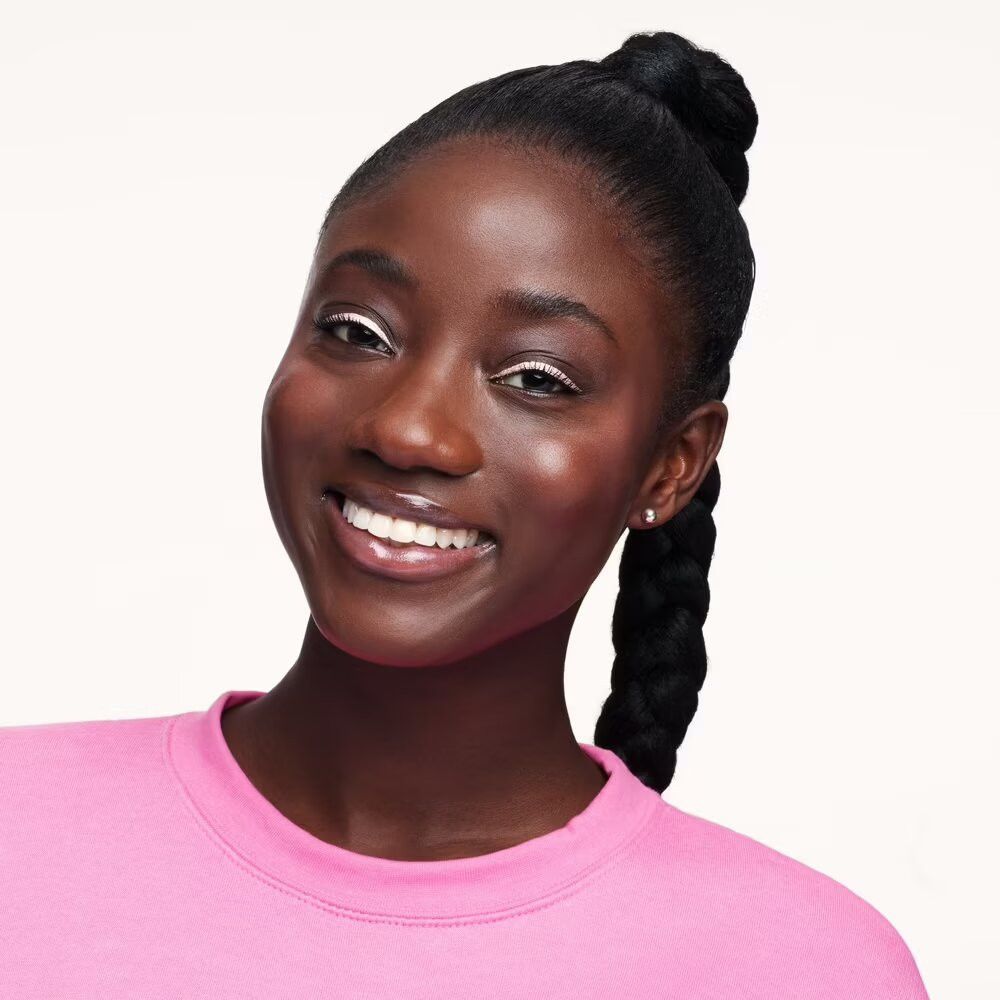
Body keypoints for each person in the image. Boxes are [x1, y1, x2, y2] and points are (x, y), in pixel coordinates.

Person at [0, 30, 931, 998]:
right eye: (358, 331)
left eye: (536, 378)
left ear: (672, 464)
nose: (408, 429)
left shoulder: (806, 968)